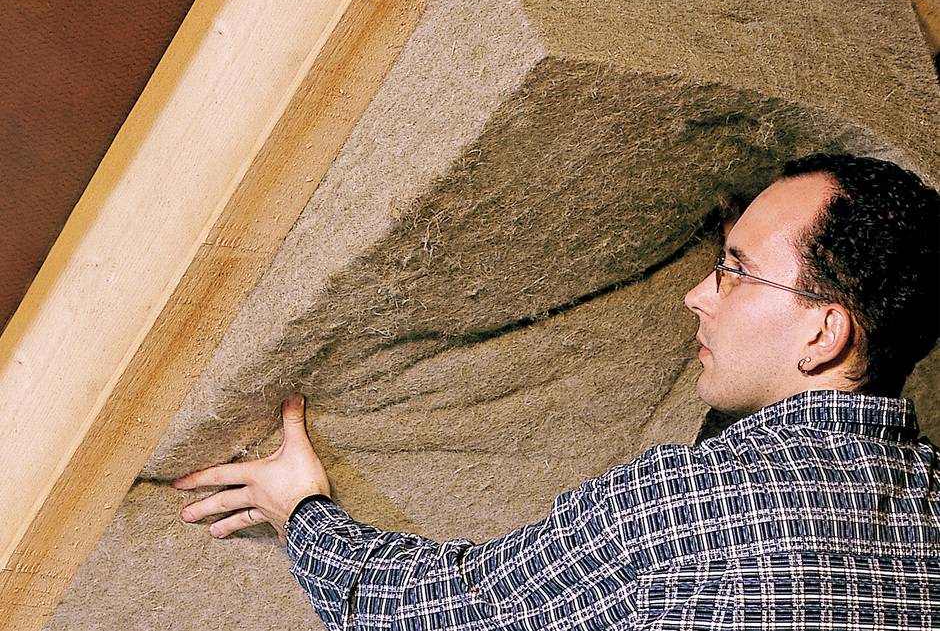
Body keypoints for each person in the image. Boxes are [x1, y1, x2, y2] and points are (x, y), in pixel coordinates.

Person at [175, 153, 940, 629]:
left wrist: (301, 511)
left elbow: (437, 613)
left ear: (824, 333)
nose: (698, 294)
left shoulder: (688, 507)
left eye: (736, 271)